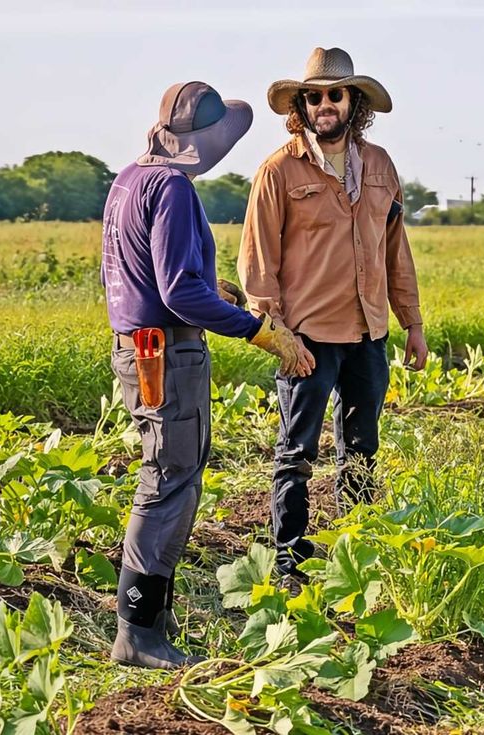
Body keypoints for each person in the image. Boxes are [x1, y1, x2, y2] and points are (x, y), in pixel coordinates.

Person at [100, 81, 306, 669]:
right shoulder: (173, 189)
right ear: (203, 143)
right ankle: (137, 632)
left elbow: (141, 272)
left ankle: (153, 619)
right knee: (168, 481)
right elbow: (178, 292)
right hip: (166, 351)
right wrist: (257, 328)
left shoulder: (129, 180)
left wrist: (209, 288)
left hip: (140, 345)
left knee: (173, 473)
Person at [238, 48, 428, 579]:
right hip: (307, 337)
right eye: (314, 96)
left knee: (362, 448)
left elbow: (396, 248)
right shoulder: (278, 171)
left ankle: (357, 553)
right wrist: (276, 335)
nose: (324, 104)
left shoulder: (381, 166)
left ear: (353, 102)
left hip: (369, 332)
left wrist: (412, 322)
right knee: (297, 452)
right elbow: (258, 263)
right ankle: (288, 562)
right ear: (302, 104)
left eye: (335, 94)